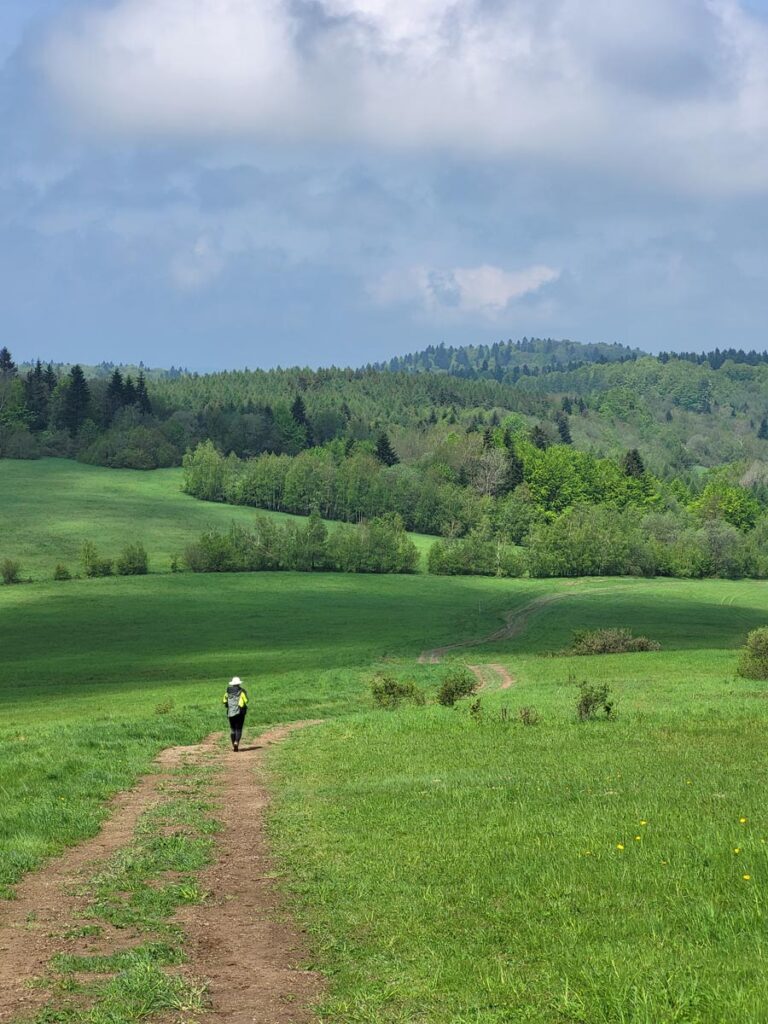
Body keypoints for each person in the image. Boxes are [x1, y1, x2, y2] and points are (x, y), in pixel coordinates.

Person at [222, 676, 248, 751]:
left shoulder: (227, 692)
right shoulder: (242, 691)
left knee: (233, 729)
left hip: (230, 713)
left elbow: (224, 701)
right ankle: (236, 742)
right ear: (239, 684)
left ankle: (234, 746)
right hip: (240, 713)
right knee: (239, 729)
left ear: (232, 684)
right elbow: (246, 701)